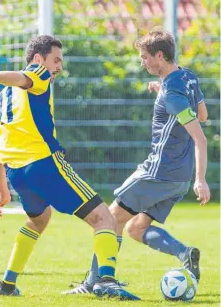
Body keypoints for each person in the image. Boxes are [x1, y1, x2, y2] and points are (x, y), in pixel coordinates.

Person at [0, 35, 140, 300]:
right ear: (38, 59)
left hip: (17, 174)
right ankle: (107, 280)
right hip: (44, 164)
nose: (59, 67)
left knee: (39, 220)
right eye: (56, 60)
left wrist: (3, 193)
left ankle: (7, 284)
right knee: (105, 218)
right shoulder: (37, 74)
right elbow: (24, 78)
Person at [64, 27, 210, 295]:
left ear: (160, 55)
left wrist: (201, 180)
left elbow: (200, 137)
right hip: (178, 177)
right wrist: (163, 92)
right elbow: (202, 114)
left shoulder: (172, 93)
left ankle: (95, 283)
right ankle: (185, 253)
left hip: (159, 171)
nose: (142, 62)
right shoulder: (187, 78)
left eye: (145, 57)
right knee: (135, 227)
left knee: (107, 218)